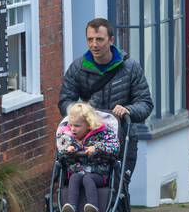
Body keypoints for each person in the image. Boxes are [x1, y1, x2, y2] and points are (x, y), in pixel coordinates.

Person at [58, 18, 153, 185]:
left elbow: (145, 103)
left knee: (117, 186)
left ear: (111, 40)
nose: (94, 44)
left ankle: (119, 211)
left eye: (99, 39)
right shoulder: (78, 68)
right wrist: (79, 113)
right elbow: (65, 100)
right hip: (87, 139)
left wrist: (128, 110)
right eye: (90, 39)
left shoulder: (130, 68)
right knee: (81, 182)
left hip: (122, 137)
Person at [56, 101, 119, 212]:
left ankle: (93, 209)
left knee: (87, 178)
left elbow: (114, 147)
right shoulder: (67, 136)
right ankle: (72, 209)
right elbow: (60, 151)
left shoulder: (103, 133)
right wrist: (67, 150)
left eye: (77, 126)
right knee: (74, 177)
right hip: (78, 171)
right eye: (71, 125)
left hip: (99, 174)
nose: (73, 129)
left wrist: (97, 148)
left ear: (89, 124)